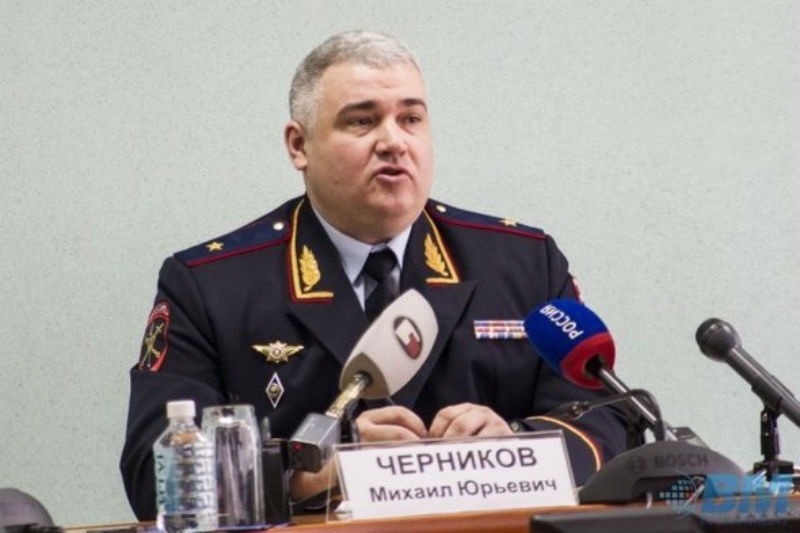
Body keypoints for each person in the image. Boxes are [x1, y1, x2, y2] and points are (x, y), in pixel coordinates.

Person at [120, 30, 628, 519]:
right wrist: (311, 473)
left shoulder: (524, 262)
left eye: (411, 119)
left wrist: (514, 445)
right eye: (362, 122)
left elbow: (609, 425)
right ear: (299, 145)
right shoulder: (211, 284)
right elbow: (153, 475)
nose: (394, 142)